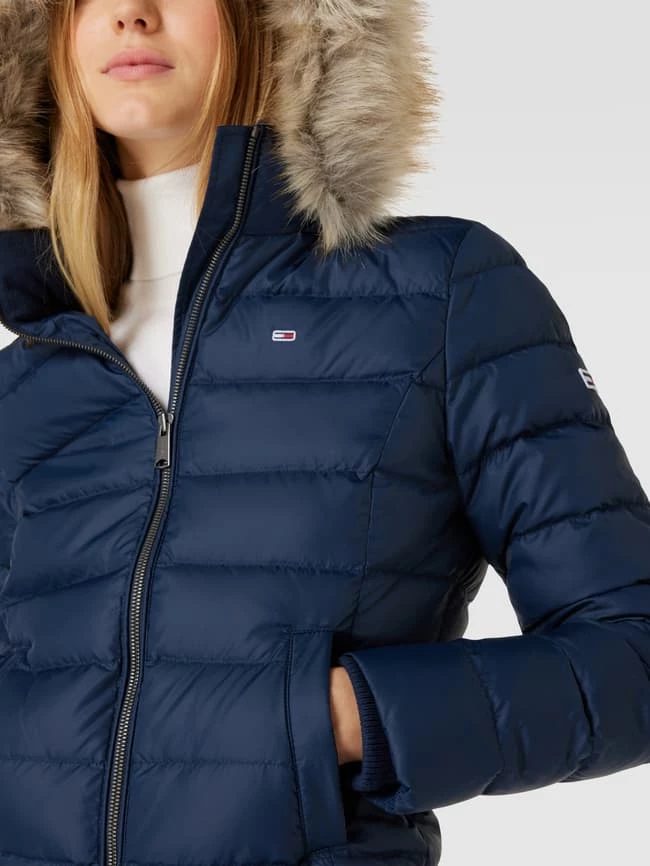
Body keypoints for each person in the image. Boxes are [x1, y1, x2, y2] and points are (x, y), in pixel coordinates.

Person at [0, 2, 648, 866]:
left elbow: (632, 652)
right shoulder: (32, 372)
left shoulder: (438, 294)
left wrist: (344, 718)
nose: (131, 14)